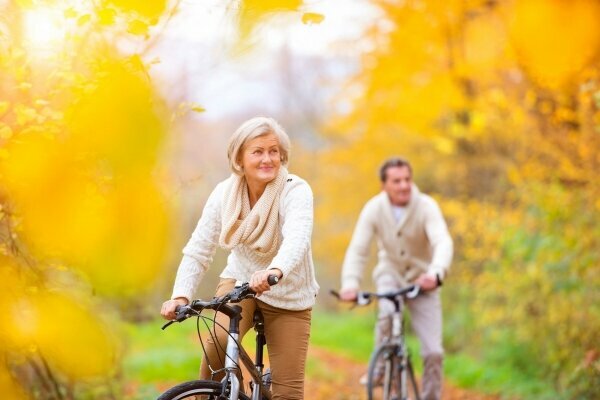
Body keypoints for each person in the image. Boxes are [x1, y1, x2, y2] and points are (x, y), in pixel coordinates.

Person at [161, 116, 319, 400]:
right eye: (257, 151)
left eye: (273, 151)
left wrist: (275, 270)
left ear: (282, 155)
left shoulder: (295, 190)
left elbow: (297, 238)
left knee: (288, 393)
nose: (267, 159)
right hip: (240, 281)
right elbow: (199, 249)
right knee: (217, 345)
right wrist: (180, 296)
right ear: (240, 158)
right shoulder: (225, 193)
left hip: (289, 292)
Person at [339, 157, 453, 400]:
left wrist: (436, 273)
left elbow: (442, 241)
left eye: (407, 180)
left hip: (424, 281)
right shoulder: (373, 208)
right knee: (387, 315)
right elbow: (359, 249)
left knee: (433, 352)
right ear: (384, 186)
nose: (403, 185)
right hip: (390, 276)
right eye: (397, 181)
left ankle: (430, 396)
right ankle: (381, 371)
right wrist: (350, 283)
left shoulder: (426, 206)